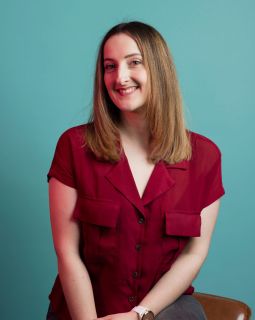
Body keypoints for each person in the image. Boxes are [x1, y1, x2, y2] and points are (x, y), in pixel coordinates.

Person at [46, 21, 225, 320]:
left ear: (159, 69)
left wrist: (140, 314)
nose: (120, 77)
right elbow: (68, 253)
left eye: (134, 62)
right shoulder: (73, 146)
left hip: (162, 310)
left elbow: (193, 254)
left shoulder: (205, 157)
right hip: (82, 310)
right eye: (109, 66)